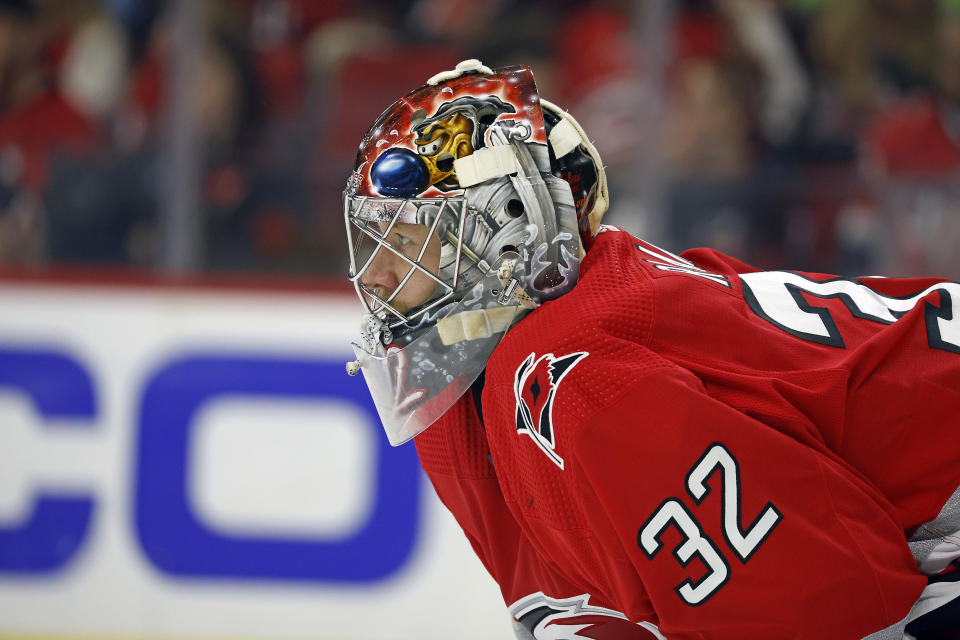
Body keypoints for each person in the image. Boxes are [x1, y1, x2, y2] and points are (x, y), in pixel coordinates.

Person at [342, 60, 960, 639]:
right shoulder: (527, 361)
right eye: (371, 242)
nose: (373, 276)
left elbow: (833, 608)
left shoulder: (573, 372)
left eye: (403, 240)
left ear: (507, 225)